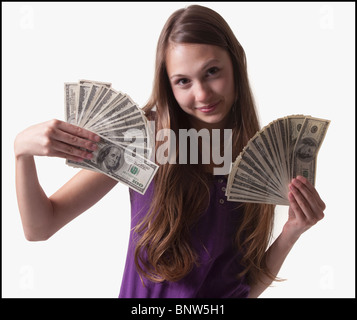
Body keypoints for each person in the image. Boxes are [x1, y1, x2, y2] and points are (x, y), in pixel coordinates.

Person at [14, 5, 326, 298]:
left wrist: (292, 231)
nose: (201, 93)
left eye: (212, 71)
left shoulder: (257, 158)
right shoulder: (143, 140)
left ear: (236, 63)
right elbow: (40, 226)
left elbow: (241, 288)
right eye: (183, 81)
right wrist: (21, 154)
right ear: (169, 85)